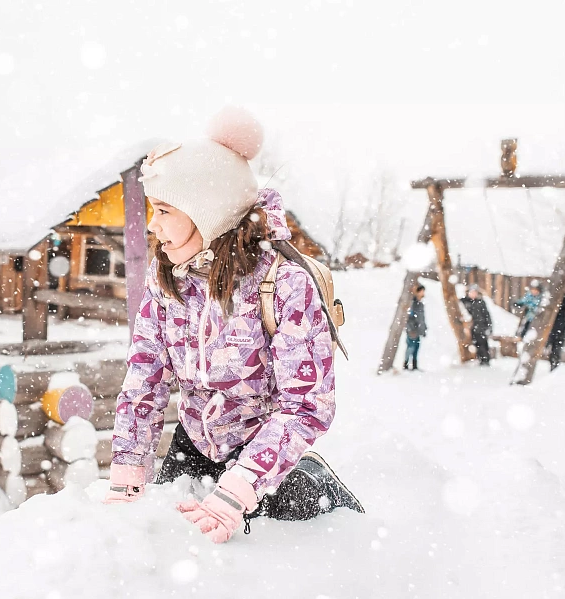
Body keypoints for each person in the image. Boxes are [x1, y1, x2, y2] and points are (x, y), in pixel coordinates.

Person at [104, 107, 362, 544]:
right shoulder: (166, 278)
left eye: (164, 209)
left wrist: (236, 493)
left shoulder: (285, 285)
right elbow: (145, 380)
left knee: (284, 562)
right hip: (193, 447)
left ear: (207, 212)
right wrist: (126, 479)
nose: (153, 223)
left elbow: (307, 406)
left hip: (266, 463)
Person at [460, 284, 493, 366]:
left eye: (475, 292)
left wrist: (489, 327)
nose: (473, 294)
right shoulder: (465, 302)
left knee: (483, 344)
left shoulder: (480, 302)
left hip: (481, 327)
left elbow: (487, 315)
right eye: (471, 292)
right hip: (471, 327)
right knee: (475, 344)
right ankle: (479, 359)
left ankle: (485, 360)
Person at [547, 292, 565, 371]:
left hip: (559, 331)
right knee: (552, 350)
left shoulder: (563, 307)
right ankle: (553, 364)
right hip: (553, 330)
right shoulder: (552, 306)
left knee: (556, 350)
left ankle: (555, 365)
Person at [404, 284, 427, 370]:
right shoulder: (413, 304)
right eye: (422, 291)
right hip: (412, 331)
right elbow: (408, 318)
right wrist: (410, 329)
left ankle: (414, 365)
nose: (423, 293)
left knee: (416, 348)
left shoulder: (420, 304)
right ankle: (406, 364)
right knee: (410, 347)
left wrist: (423, 329)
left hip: (418, 330)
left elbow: (422, 319)